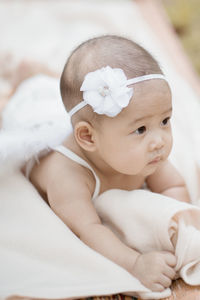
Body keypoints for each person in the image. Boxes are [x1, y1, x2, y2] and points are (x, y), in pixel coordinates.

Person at [27, 35, 191, 293]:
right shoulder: (67, 175)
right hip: (33, 120)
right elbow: (88, 230)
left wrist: (184, 227)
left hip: (96, 129)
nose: (159, 140)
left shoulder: (147, 153)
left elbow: (174, 185)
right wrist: (136, 263)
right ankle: (25, 77)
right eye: (140, 129)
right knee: (25, 98)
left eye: (165, 120)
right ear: (88, 137)